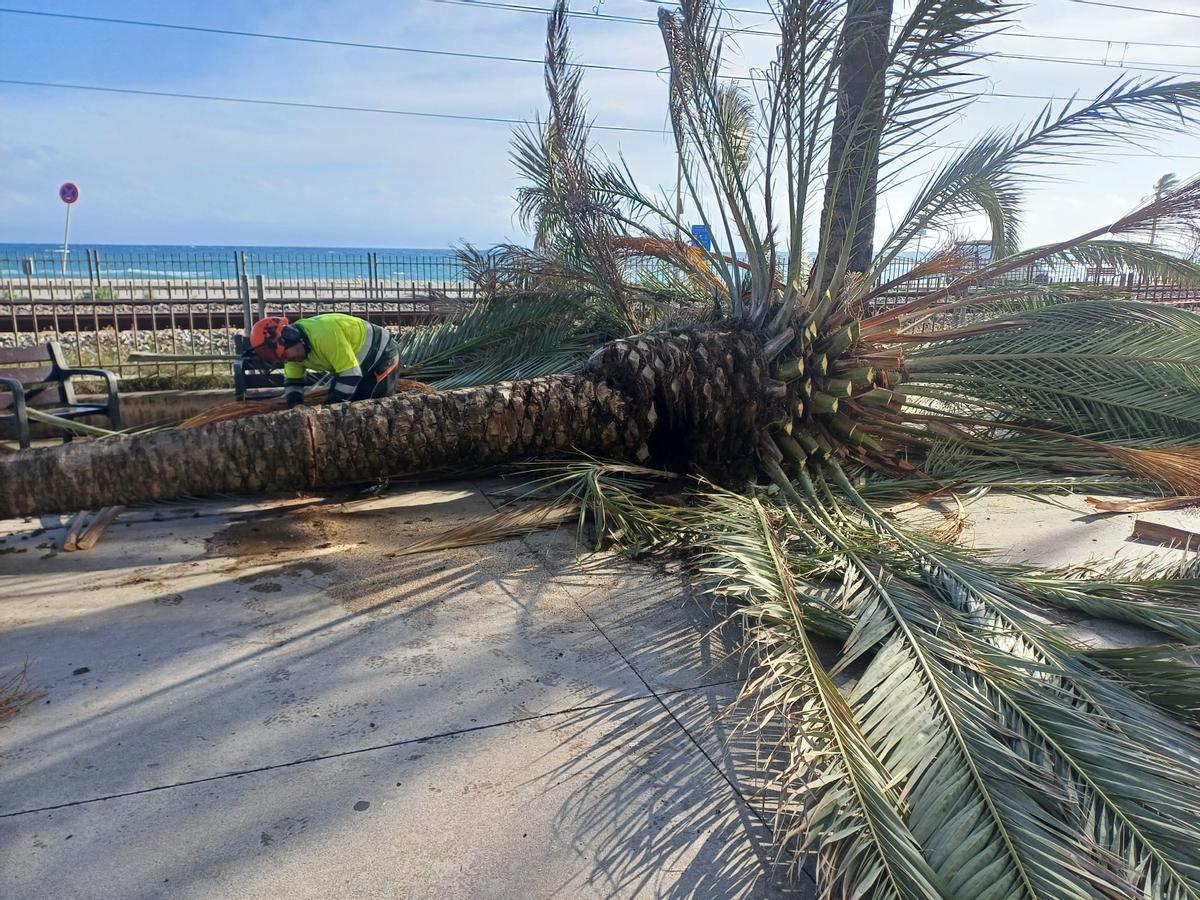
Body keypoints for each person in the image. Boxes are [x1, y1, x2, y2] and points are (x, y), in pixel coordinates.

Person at [245, 313, 400, 408]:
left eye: (285, 356)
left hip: (381, 353)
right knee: (342, 398)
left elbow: (351, 375)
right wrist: (296, 406)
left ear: (291, 337)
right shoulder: (291, 355)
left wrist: (327, 410)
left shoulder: (325, 335)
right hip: (354, 365)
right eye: (282, 359)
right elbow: (293, 383)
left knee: (373, 405)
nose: (287, 361)